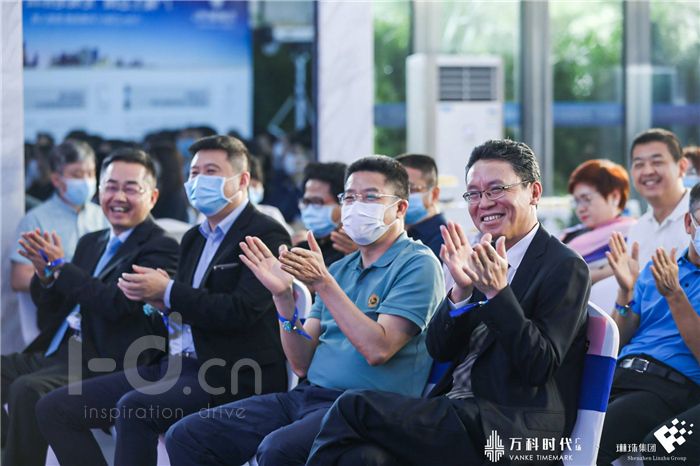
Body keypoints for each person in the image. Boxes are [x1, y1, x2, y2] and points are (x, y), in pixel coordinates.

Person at [306, 139, 590, 466]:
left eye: (496, 190)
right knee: (364, 458)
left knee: (352, 406)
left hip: (512, 428)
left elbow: (539, 365)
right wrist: (461, 293)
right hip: (458, 413)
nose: (484, 203)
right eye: (474, 194)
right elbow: (439, 350)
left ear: (534, 192)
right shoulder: (480, 255)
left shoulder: (564, 266)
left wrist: (498, 294)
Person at [165, 155, 445, 466]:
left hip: (364, 408)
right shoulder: (341, 269)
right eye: (350, 197)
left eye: (370, 197)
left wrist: (324, 284)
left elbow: (377, 349)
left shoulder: (418, 263)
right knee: (188, 434)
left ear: (400, 208)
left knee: (278, 449)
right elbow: (301, 362)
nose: (356, 206)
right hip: (308, 396)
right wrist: (284, 299)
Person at [36, 135, 290, 466]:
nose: (198, 181)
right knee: (55, 407)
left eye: (210, 172)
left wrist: (168, 291)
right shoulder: (194, 237)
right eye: (194, 172)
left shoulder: (265, 233)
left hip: (231, 371)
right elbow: (186, 305)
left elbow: (240, 311)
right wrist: (160, 304)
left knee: (134, 408)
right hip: (176, 363)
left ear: (242, 180)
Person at [1, 148, 179, 466]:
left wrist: (62, 267)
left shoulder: (161, 247)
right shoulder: (92, 241)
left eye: (130, 188)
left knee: (27, 390)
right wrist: (47, 277)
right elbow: (52, 310)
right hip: (62, 352)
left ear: (152, 196)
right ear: (100, 191)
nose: (118, 197)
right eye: (111, 187)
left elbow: (117, 305)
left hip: (107, 360)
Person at [596, 183, 700, 466]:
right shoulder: (659, 269)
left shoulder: (669, 282)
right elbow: (618, 338)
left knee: (651, 447)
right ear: (689, 223)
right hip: (622, 376)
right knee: (554, 423)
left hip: (674, 389)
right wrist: (625, 293)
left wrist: (675, 296)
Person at [10, 140, 108, 344]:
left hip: (101, 310)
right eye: (77, 175)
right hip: (60, 317)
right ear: (56, 179)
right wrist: (58, 275)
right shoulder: (37, 220)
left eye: (90, 173)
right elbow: (19, 278)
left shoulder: (105, 216)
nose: (86, 181)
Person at [562, 159, 636, 311]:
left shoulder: (631, 233)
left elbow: (622, 269)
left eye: (587, 199)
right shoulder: (570, 234)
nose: (580, 209)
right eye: (577, 201)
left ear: (615, 197)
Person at [627, 128, 691, 266]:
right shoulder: (637, 230)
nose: (648, 171)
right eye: (639, 164)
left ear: (682, 166)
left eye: (657, 162)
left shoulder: (696, 216)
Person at [295, 161, 349, 266]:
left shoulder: (360, 253)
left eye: (317, 202)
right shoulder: (302, 251)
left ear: (344, 203)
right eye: (306, 202)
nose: (310, 210)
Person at [396, 153, 447, 259]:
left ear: (434, 194)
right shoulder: (398, 233)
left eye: (411, 189)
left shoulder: (443, 240)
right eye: (397, 190)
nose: (402, 197)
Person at [248, 154, 294, 236]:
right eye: (250, 186)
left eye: (256, 185)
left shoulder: (270, 213)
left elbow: (290, 238)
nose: (253, 190)